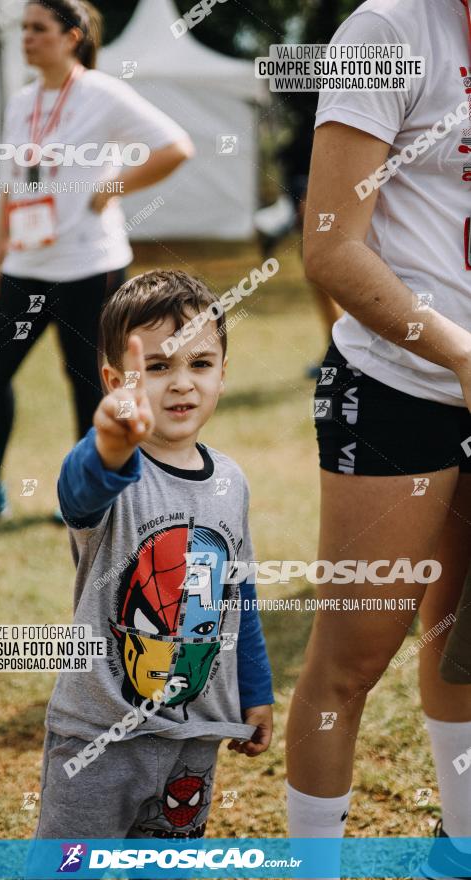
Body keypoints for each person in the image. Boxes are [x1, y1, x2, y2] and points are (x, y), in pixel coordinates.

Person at [284, 0, 471, 875]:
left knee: (463, 643)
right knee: (350, 662)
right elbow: (328, 246)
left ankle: (459, 847)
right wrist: (461, 356)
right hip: (397, 388)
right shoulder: (387, 28)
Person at [30, 270, 274, 844]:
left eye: (200, 364)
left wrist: (256, 693)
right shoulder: (115, 475)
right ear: (117, 380)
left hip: (194, 737)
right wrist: (111, 444)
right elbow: (80, 487)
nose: (182, 384)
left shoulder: (231, 481)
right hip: (99, 738)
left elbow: (238, 598)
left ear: (223, 372)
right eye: (158, 367)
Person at [0, 0, 194, 522]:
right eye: (24, 28)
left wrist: (111, 188)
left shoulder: (102, 93)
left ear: (72, 36)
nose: (27, 37)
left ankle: (88, 493)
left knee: (87, 379)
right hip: (26, 266)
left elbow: (176, 147)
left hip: (88, 266)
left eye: (38, 28)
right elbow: (12, 184)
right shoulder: (23, 100)